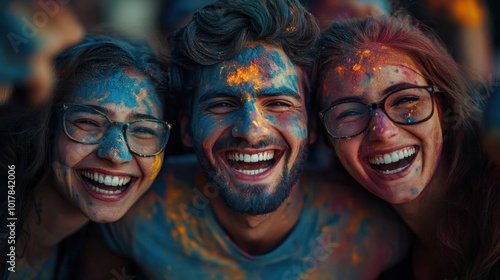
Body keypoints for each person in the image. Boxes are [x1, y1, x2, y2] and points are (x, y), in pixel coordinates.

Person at [92, 0, 410, 279]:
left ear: (312, 124)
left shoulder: (377, 231)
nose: (251, 130)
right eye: (222, 104)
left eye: (278, 104)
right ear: (187, 128)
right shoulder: (133, 217)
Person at [316, 14, 500, 278]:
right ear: (328, 142)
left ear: (444, 109)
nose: (383, 131)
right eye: (348, 114)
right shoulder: (368, 260)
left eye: (405, 101)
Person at [1, 34, 173, 279]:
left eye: (143, 130)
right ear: (45, 126)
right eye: (89, 122)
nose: (115, 154)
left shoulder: (103, 256)